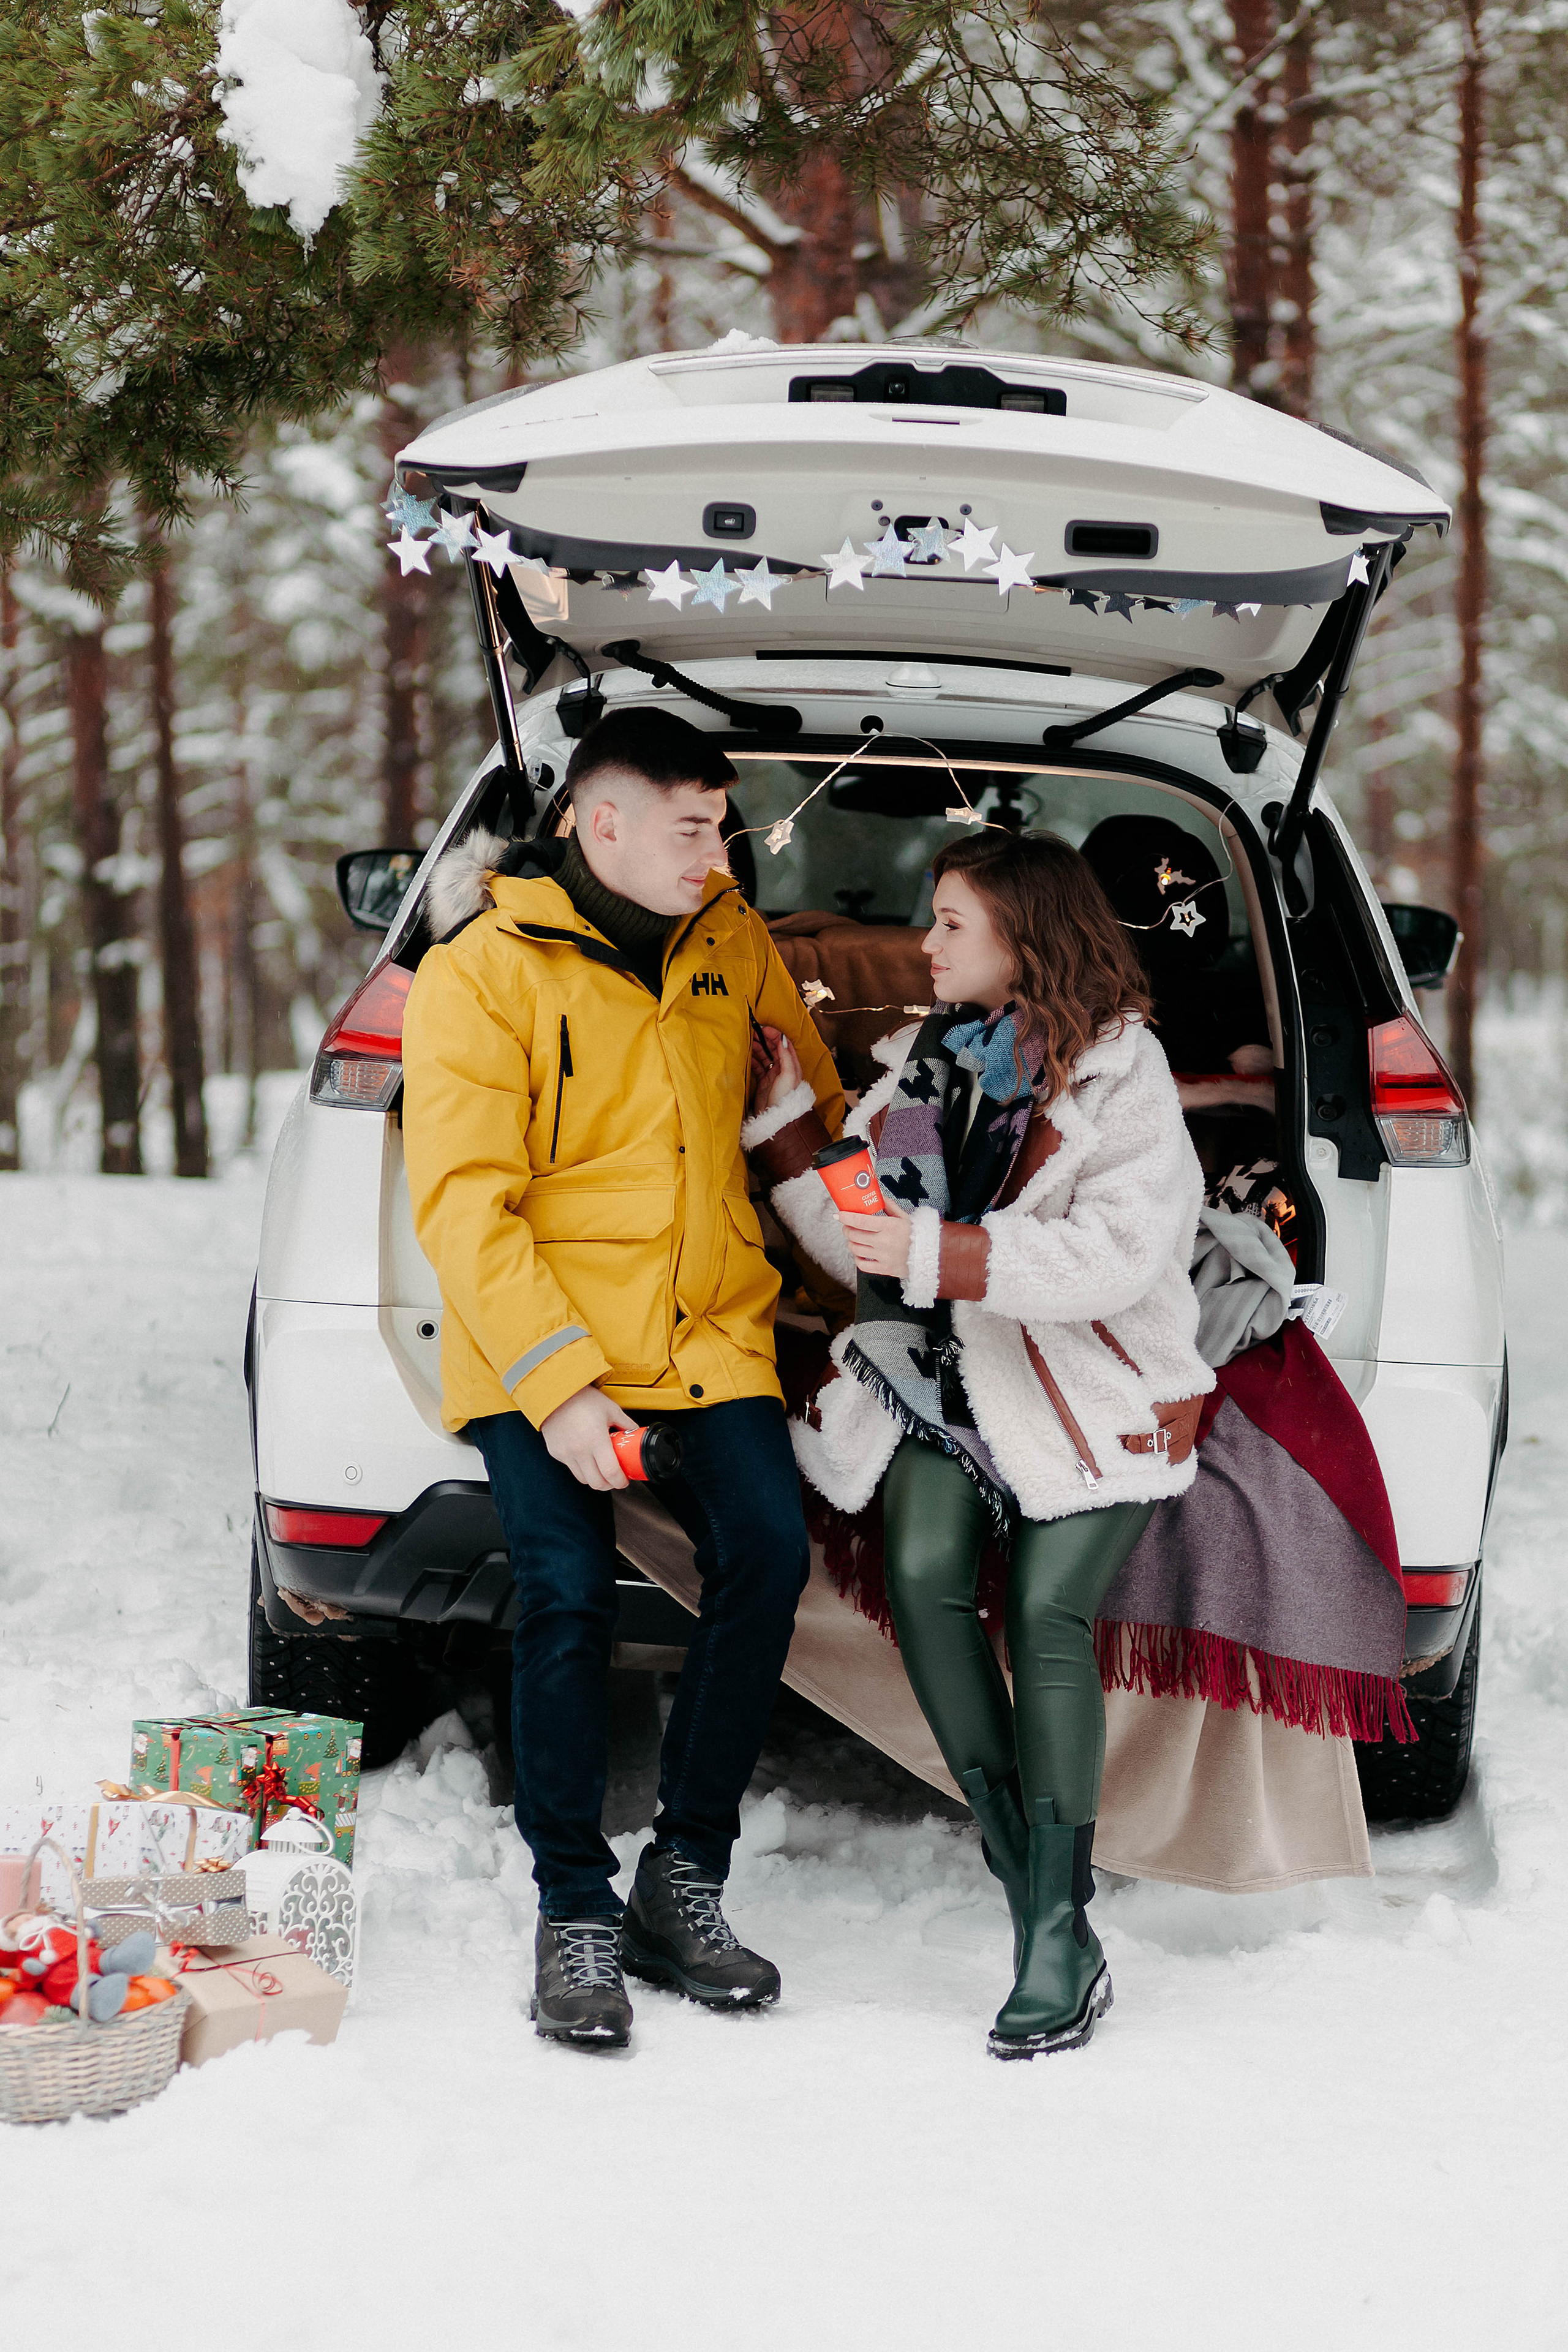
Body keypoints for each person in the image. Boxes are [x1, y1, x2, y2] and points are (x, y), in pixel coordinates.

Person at [401, 709, 842, 2051]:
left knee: (766, 1555)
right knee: (562, 1591)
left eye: (723, 825)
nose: (722, 854)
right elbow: (467, 1206)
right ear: (601, 824)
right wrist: (564, 1389)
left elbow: (804, 1116)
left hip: (708, 1327)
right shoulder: (478, 973)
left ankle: (681, 1876)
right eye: (693, 829)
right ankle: (574, 1906)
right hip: (541, 1341)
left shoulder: (733, 943)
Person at [745, 831, 1213, 2059]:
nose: (927, 942)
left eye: (950, 921)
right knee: (919, 1573)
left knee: (1052, 1613)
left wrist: (950, 1257)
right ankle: (1041, 1902)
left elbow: (1121, 1254)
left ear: (1021, 936)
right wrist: (789, 1122)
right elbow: (859, 1235)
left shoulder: (1124, 1073)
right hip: (945, 1383)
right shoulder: (916, 1067)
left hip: (1091, 1380)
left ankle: (1051, 1937)